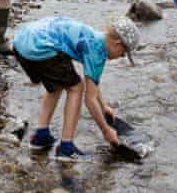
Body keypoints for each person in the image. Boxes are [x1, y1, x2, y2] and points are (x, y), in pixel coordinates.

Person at [13, 16, 138, 161]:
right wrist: (106, 130)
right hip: (41, 47)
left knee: (56, 85)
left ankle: (41, 135)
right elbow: (90, 100)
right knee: (76, 87)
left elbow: (93, 83)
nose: (121, 57)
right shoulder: (97, 52)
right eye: (123, 53)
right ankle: (66, 147)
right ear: (117, 43)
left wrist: (104, 107)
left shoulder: (94, 37)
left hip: (22, 42)